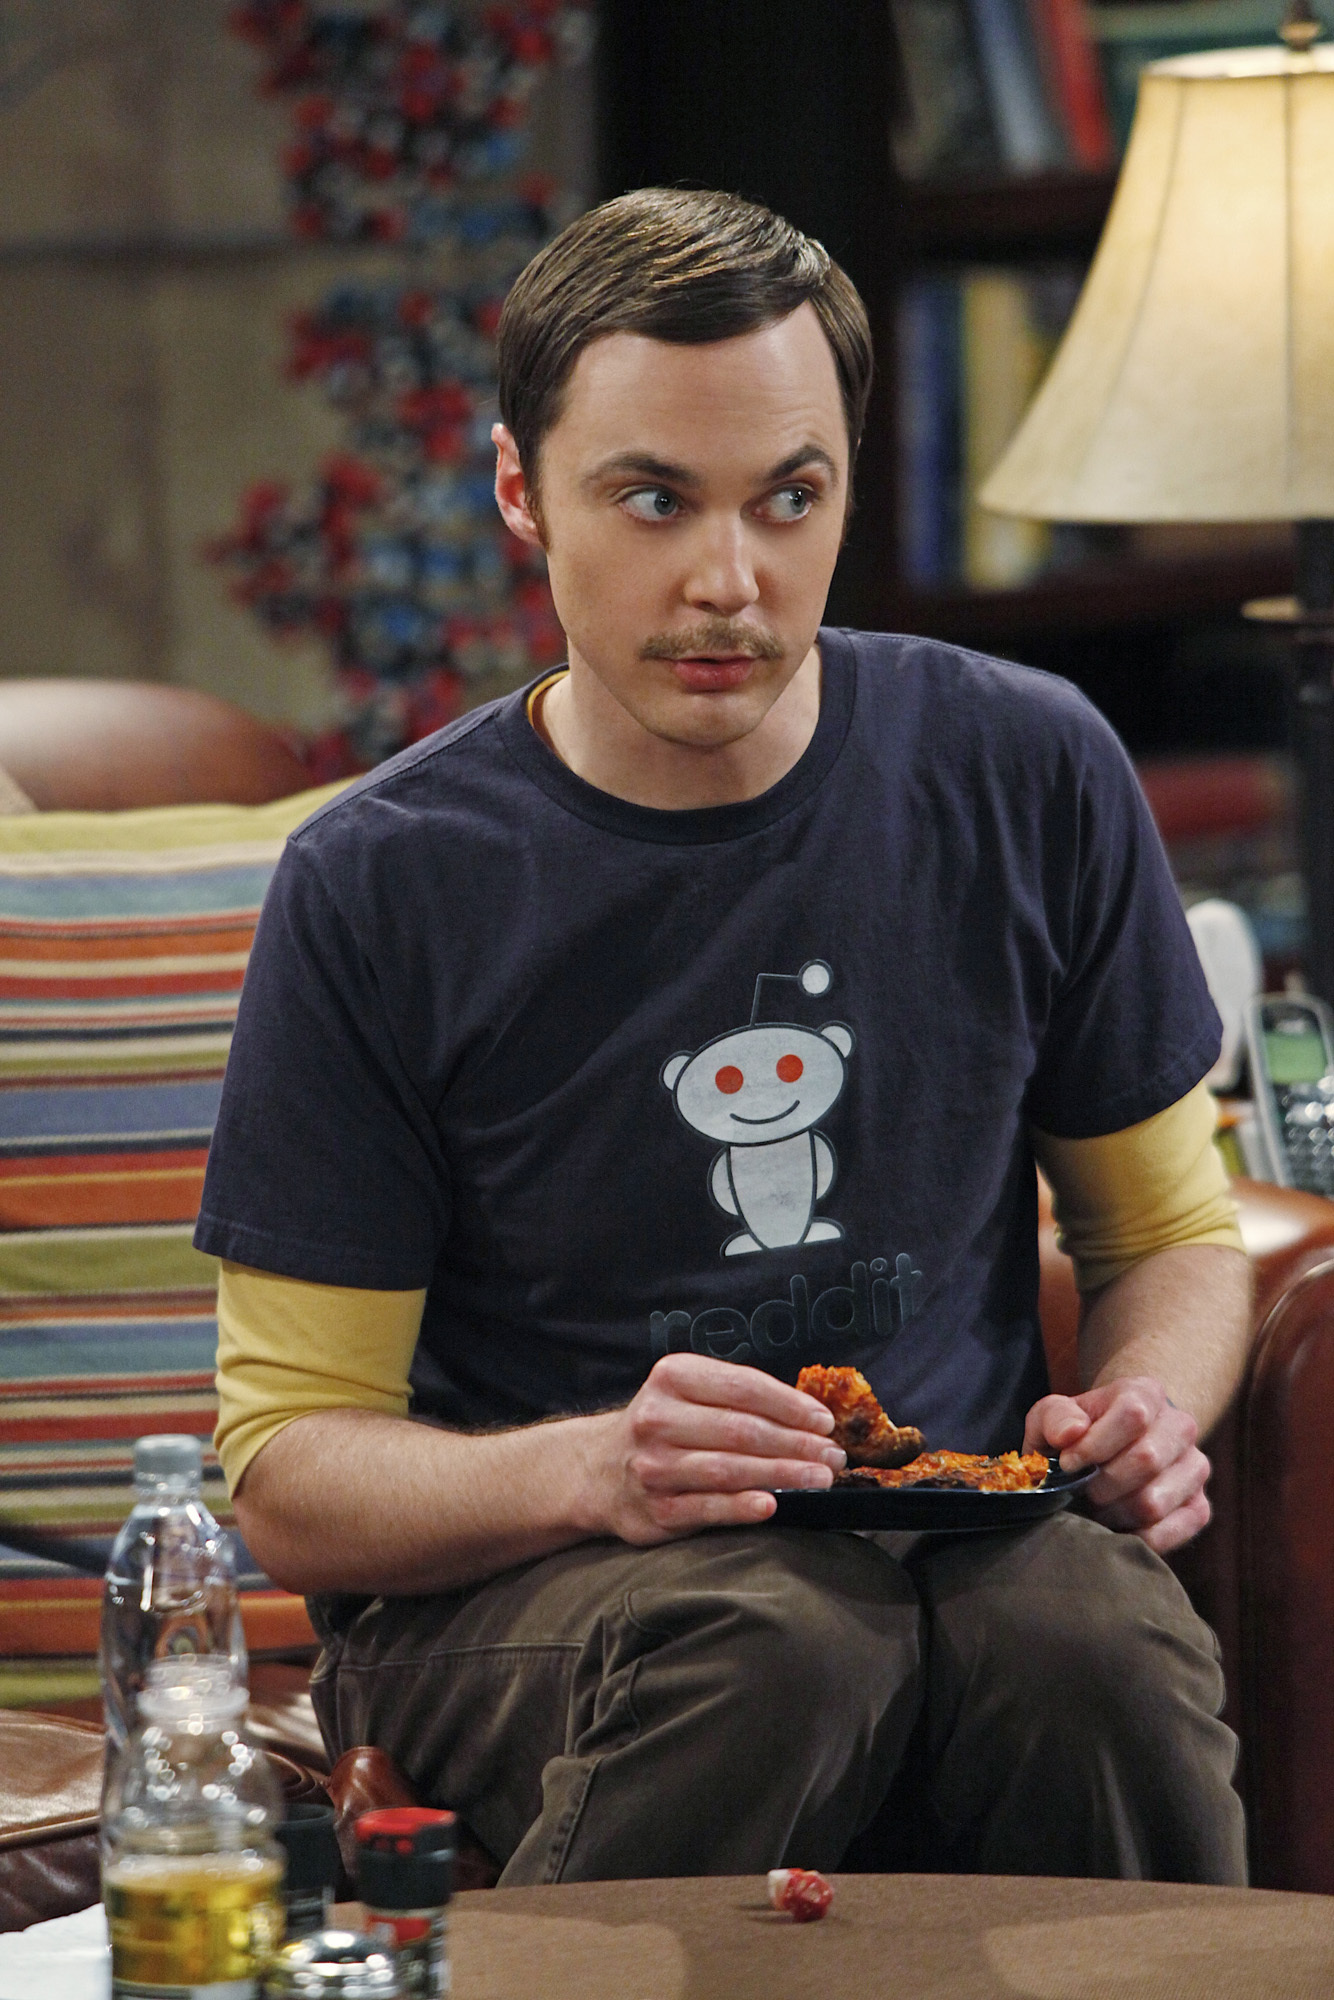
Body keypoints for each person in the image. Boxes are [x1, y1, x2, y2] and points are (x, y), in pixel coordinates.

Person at [198, 187, 1251, 1886]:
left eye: (788, 499)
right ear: (521, 491)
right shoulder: (384, 884)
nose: (727, 581)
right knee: (776, 1636)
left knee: (1092, 1641)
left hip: (953, 1536)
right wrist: (595, 1468)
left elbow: (1171, 1237)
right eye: (652, 500)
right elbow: (289, 1474)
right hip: (520, 1595)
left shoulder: (1027, 766)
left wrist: (1145, 1404)